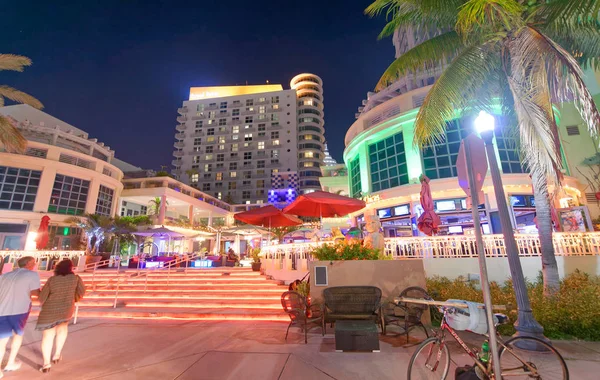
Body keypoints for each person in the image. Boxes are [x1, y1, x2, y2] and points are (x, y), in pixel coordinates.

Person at [36, 259, 85, 373]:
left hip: (49, 310)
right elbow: (81, 292)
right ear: (70, 268)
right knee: (62, 329)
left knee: (47, 336)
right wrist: (73, 299)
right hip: (66, 308)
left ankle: (46, 364)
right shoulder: (75, 279)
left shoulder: (52, 280)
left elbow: (42, 297)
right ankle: (57, 355)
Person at [0, 256, 40, 378]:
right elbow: (36, 293)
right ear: (28, 264)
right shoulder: (32, 275)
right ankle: (10, 362)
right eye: (33, 262)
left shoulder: (5, 276)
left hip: (2, 310)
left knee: (2, 340)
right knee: (18, 335)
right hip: (20, 310)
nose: (35, 264)